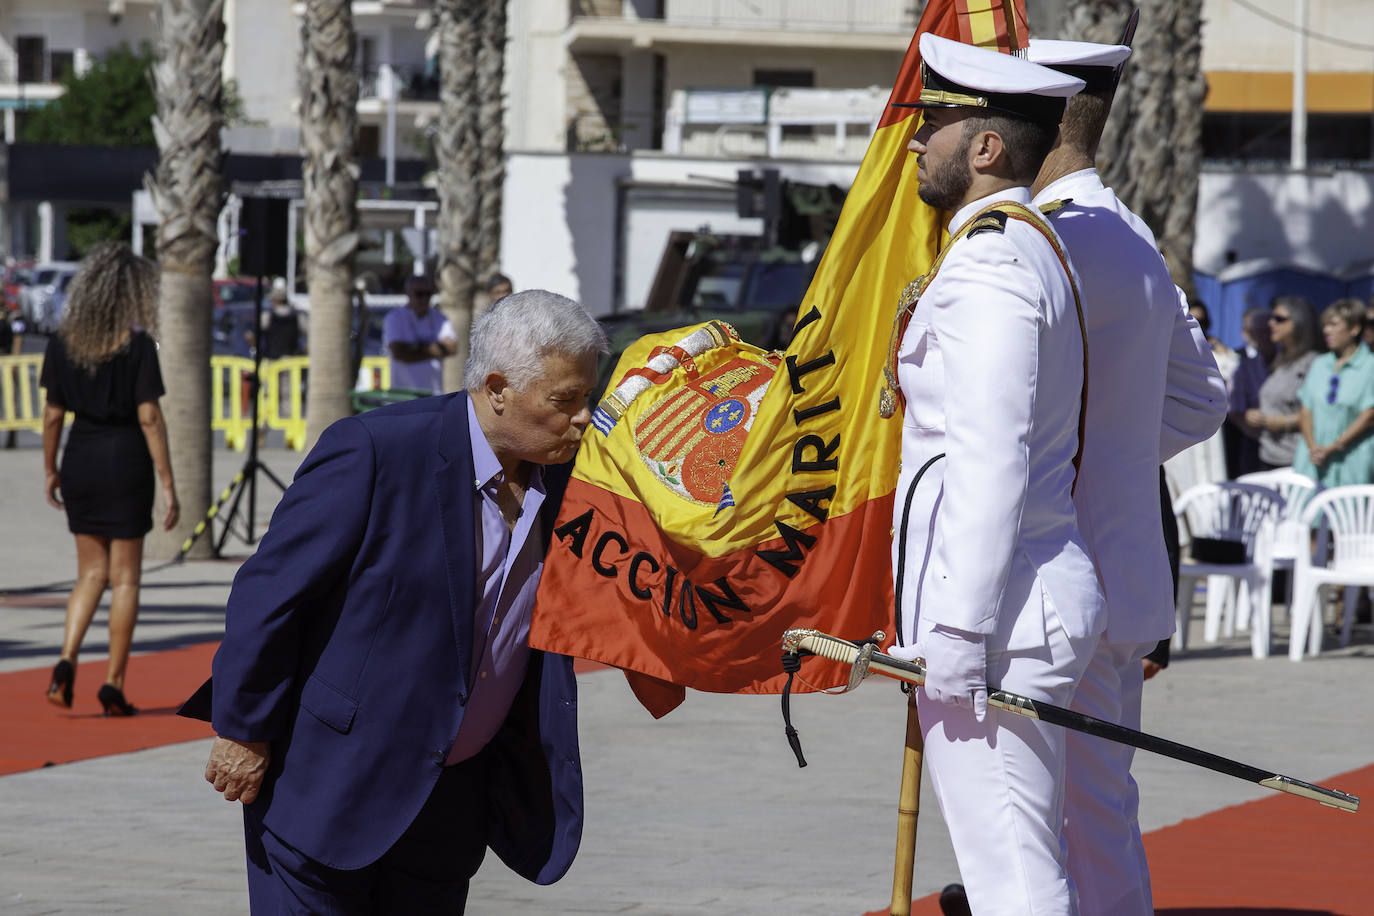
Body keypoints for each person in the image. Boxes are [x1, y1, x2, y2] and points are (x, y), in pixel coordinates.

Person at [191, 290, 606, 913]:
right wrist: (243, 731)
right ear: (497, 388)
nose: (582, 418)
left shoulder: (570, 479)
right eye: (565, 400)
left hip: (451, 802)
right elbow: (270, 595)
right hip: (332, 789)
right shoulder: (377, 450)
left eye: (587, 397)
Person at [884, 35, 1103, 916]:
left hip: (1001, 617)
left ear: (983, 147)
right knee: (1018, 860)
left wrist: (958, 629)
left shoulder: (990, 265)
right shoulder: (1019, 245)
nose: (915, 140)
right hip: (1014, 607)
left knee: (1013, 876)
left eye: (933, 123)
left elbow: (991, 459)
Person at [1028, 38, 1228, 915]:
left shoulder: (1046, 240)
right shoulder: (1129, 232)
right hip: (1117, 568)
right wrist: (1111, 456)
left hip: (1044, 572)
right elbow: (1203, 399)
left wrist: (1081, 459)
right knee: (1100, 810)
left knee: (1030, 818)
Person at [39, 242, 179, 716]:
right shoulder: (136, 347)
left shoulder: (63, 344)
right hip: (126, 462)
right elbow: (150, 418)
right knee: (125, 580)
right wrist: (168, 483)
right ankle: (113, 683)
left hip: (81, 457)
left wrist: (50, 468)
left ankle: (66, 659)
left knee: (90, 574)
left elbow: (53, 415)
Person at [1294, 297, 1374, 486]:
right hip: (1312, 458)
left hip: (1350, 460)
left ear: (1354, 328)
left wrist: (1332, 448)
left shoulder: (1370, 365)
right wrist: (1313, 447)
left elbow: (1369, 415)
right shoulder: (1319, 363)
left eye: (1333, 324)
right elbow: (1305, 409)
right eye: (1325, 325)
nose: (1326, 330)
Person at [1244, 296, 1321, 470]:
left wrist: (1286, 421)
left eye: (1279, 319)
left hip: (1295, 459)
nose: (1271, 323)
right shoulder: (1282, 360)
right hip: (1269, 455)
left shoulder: (1313, 362)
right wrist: (1255, 415)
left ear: (1299, 322)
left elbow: (1321, 410)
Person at [383, 272, 457, 394]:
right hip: (403, 394)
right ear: (407, 293)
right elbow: (398, 352)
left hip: (434, 393)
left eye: (428, 294)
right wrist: (435, 349)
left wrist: (413, 350)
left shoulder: (439, 318)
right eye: (419, 294)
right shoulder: (395, 317)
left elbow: (452, 347)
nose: (424, 299)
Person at [1225, 307, 1275, 477]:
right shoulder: (1244, 367)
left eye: (1267, 331)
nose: (1264, 336)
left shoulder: (1292, 364)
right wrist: (1247, 419)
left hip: (1289, 444)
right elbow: (1234, 410)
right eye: (1258, 332)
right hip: (1255, 445)